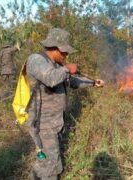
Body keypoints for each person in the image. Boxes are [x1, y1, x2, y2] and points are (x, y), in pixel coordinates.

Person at [25, 28, 104, 180]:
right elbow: (51, 78)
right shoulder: (36, 60)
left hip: (55, 122)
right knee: (49, 164)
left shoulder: (55, 64)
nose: (66, 55)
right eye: (65, 52)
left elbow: (72, 81)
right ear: (55, 48)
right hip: (43, 124)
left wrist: (93, 83)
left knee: (48, 161)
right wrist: (66, 69)